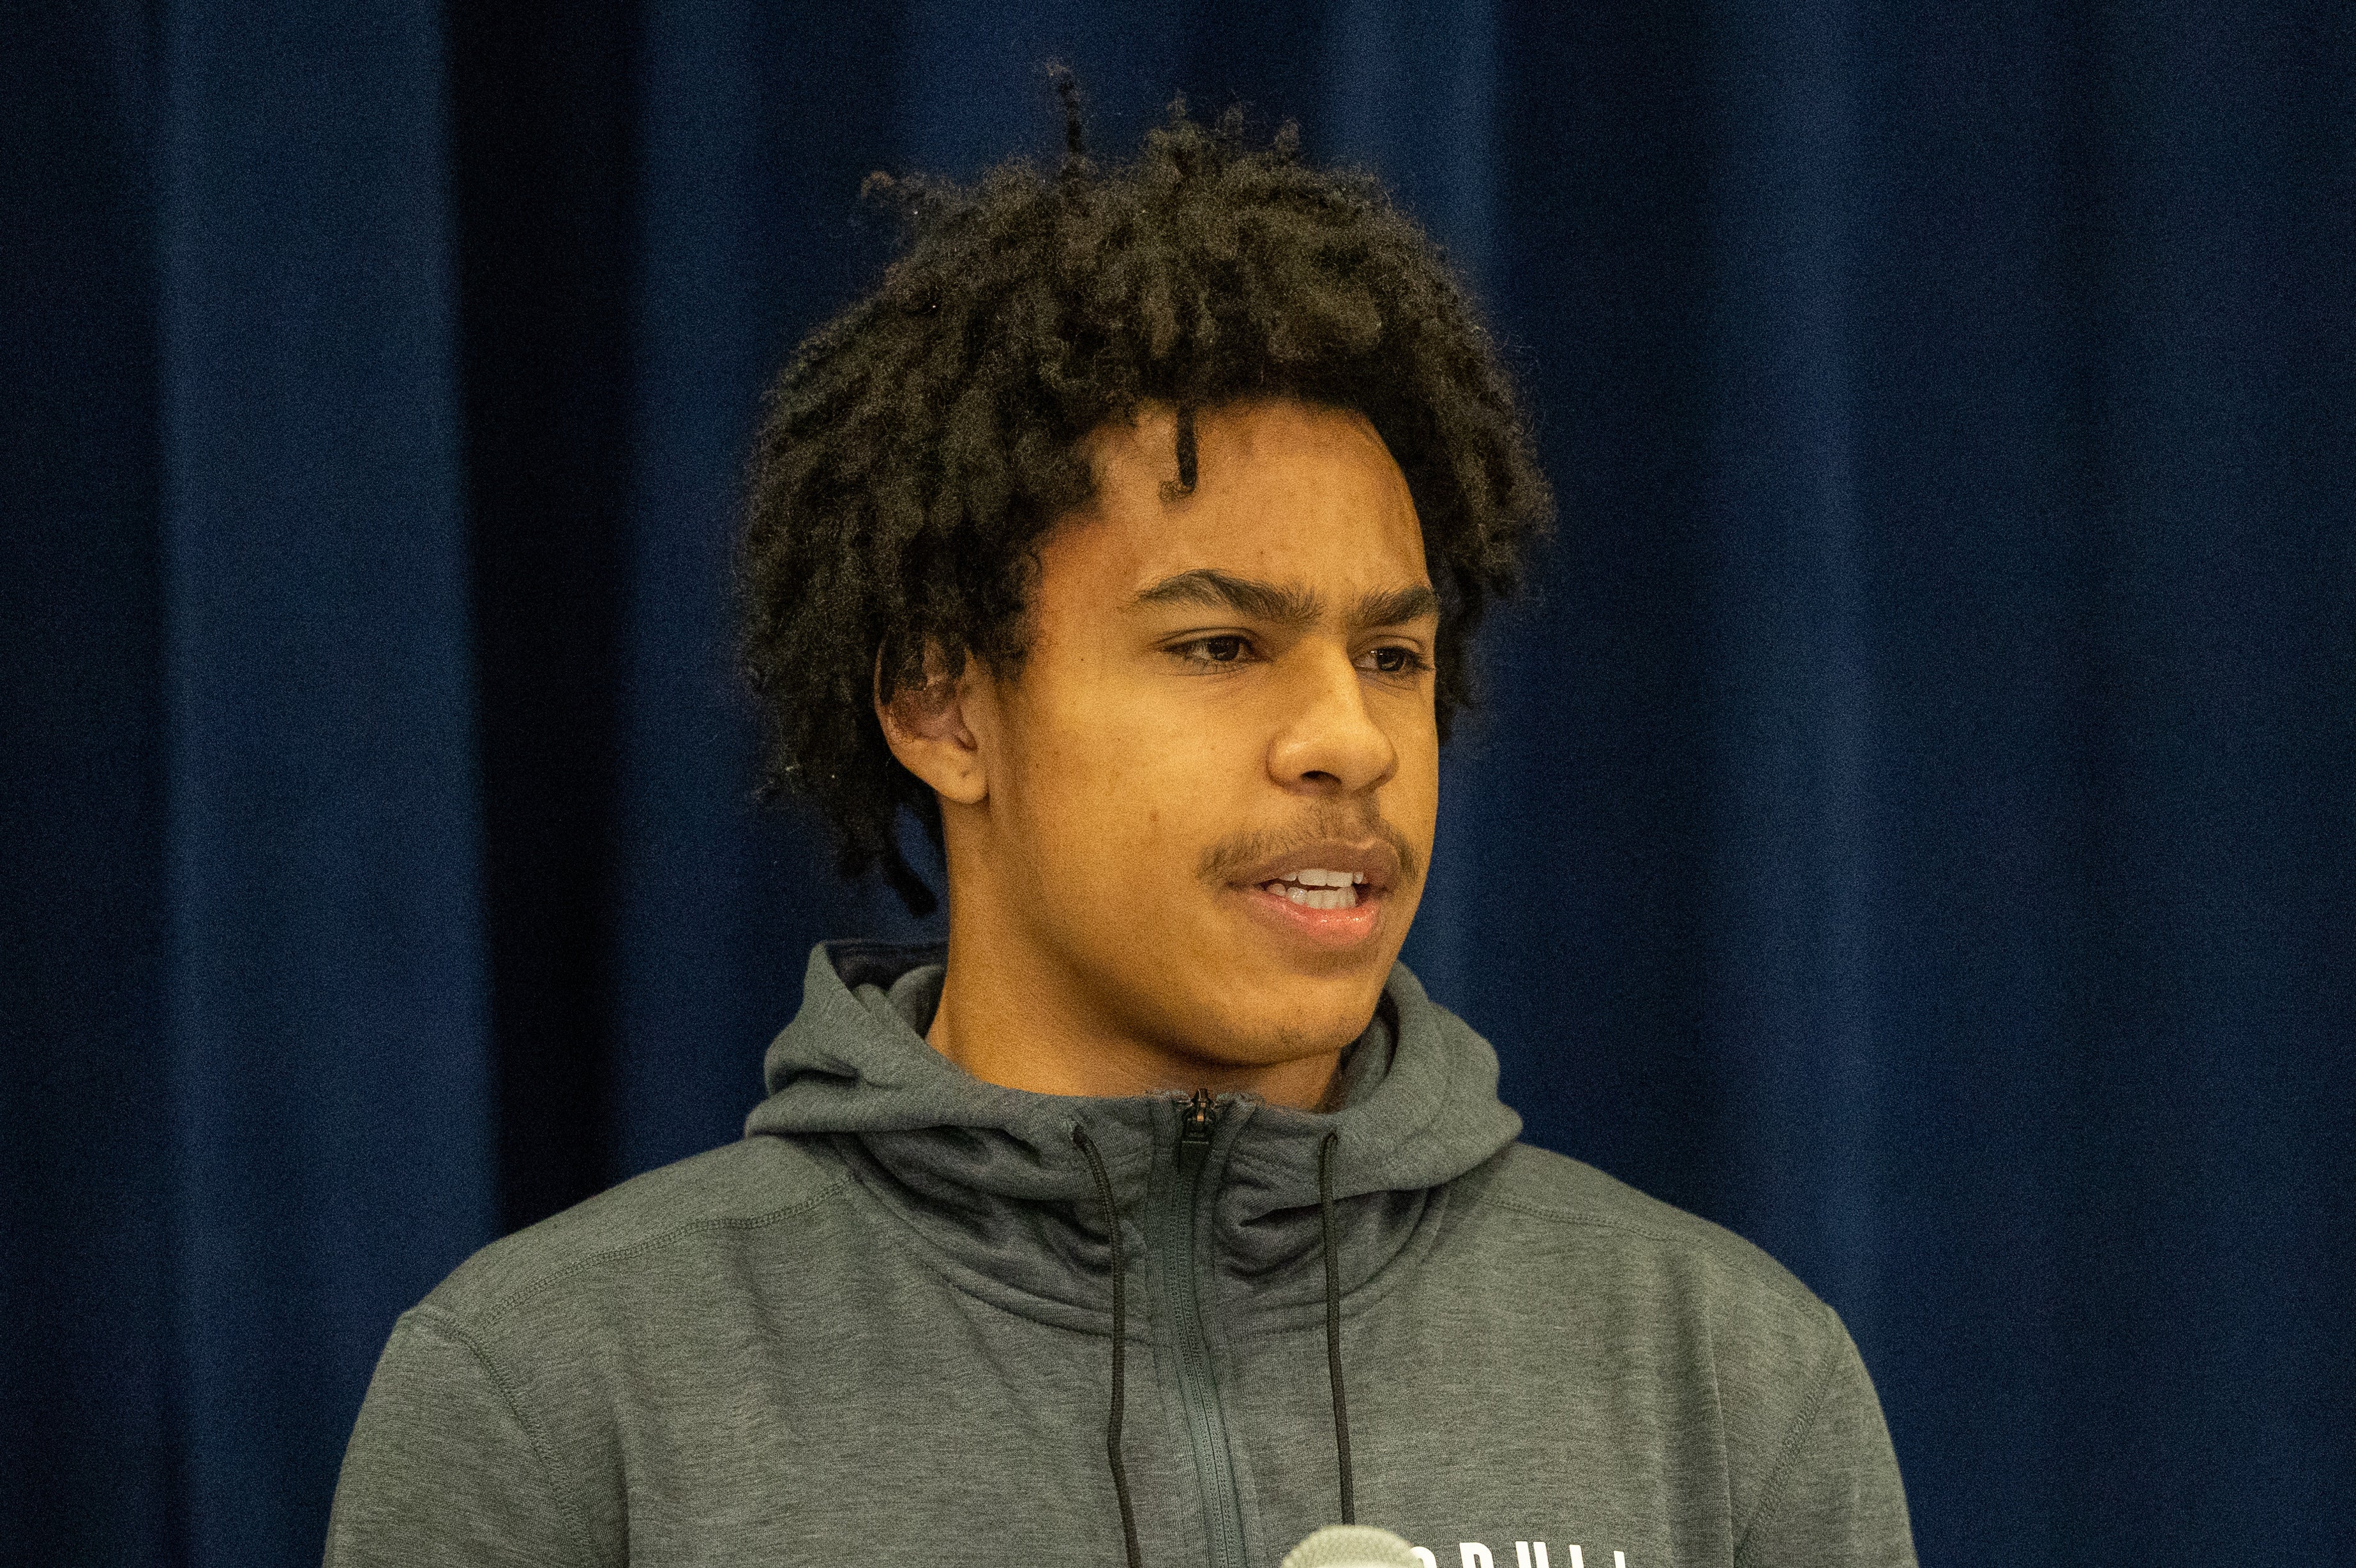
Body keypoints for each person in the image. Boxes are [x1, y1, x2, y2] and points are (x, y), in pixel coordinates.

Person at [326, 86, 1915, 1568]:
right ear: (943, 706)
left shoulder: (1724, 1379)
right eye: (1219, 647)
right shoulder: (555, 1395)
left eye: (1392, 656)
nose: (1348, 740)